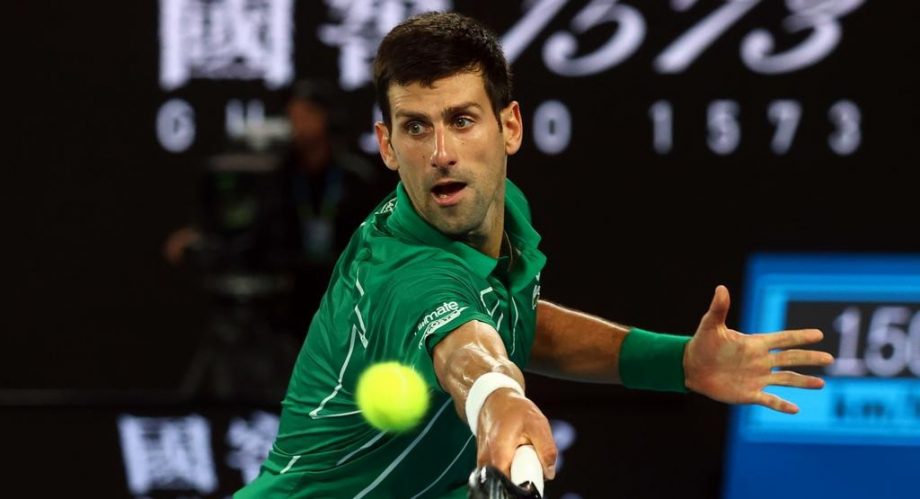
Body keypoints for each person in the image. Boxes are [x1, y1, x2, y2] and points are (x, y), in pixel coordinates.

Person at [236, 12, 834, 498]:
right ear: (387, 146)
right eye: (416, 128)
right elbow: (466, 349)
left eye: (462, 120)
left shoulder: (495, 214)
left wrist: (676, 363)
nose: (442, 152)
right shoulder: (403, 272)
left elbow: (515, 323)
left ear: (510, 127)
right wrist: (497, 399)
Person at [164, 79, 387, 401]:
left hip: (343, 300)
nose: (296, 124)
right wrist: (207, 236)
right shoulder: (273, 178)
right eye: (291, 116)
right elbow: (247, 229)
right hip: (286, 302)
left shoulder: (355, 179)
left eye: (305, 115)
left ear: (326, 119)